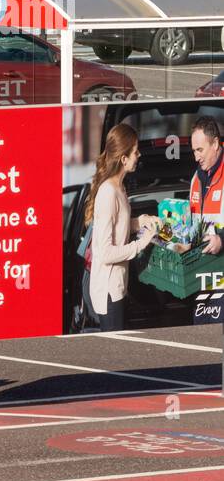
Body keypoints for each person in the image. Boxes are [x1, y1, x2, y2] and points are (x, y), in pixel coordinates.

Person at [83, 123, 158, 332]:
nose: (139, 155)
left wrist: (140, 221)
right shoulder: (108, 193)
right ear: (124, 159)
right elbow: (105, 252)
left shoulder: (119, 188)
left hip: (117, 287)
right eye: (135, 151)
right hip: (108, 291)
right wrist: (140, 244)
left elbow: (120, 226)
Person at [190, 116, 224, 254]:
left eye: (200, 150)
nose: (196, 157)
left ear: (215, 144)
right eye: (194, 151)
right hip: (203, 265)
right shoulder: (196, 178)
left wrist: (222, 240)